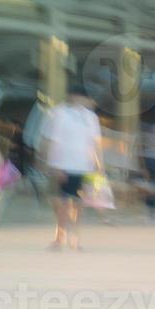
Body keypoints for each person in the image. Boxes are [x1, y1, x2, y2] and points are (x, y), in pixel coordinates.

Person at [41, 89, 103, 251]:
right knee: (59, 203)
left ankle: (75, 237)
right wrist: (49, 164)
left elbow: (96, 143)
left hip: (84, 166)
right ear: (75, 96)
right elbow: (48, 140)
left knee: (78, 204)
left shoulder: (91, 117)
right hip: (61, 165)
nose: (90, 102)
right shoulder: (57, 113)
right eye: (86, 98)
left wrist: (99, 166)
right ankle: (59, 237)